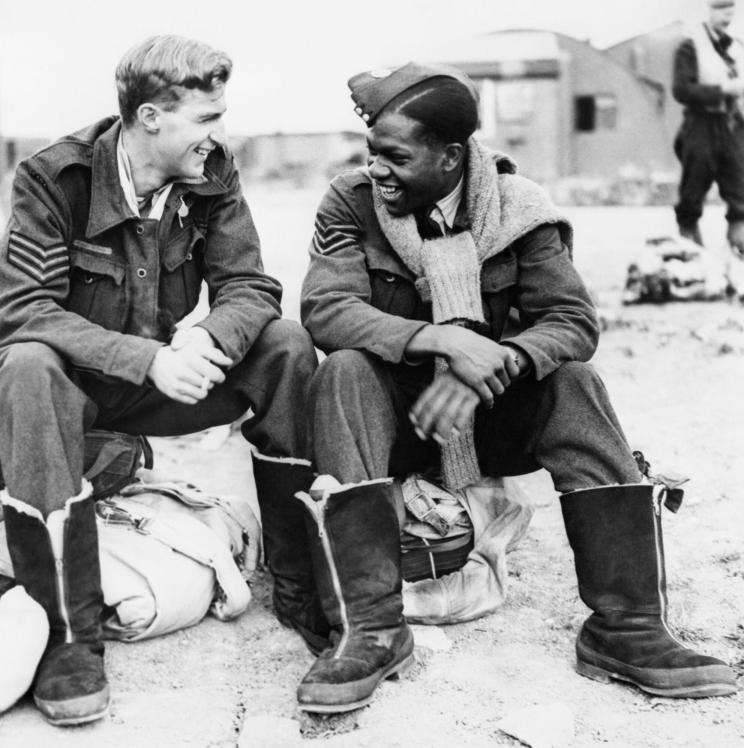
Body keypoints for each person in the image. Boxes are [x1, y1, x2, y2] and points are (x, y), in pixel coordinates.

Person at [294, 62, 739, 713]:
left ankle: (628, 626)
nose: (376, 170)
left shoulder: (519, 207)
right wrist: (442, 341)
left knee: (574, 381)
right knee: (344, 372)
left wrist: (487, 368)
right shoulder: (351, 201)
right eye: (371, 154)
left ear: (450, 158)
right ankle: (369, 629)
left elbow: (573, 323)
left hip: (491, 419)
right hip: (399, 422)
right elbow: (326, 309)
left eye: (394, 156)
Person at [0, 35, 317, 726]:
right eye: (207, 119)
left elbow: (249, 284)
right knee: (29, 362)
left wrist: (211, 335)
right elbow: (19, 310)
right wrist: (148, 358)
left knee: (284, 345)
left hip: (157, 382)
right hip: (63, 386)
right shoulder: (54, 176)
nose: (219, 136)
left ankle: (302, 582)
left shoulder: (212, 171)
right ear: (151, 117)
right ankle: (68, 635)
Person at [673, 0, 744, 252]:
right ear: (709, 10)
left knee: (739, 182)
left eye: (731, 10)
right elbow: (681, 90)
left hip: (733, 123)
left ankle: (739, 241)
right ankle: (689, 240)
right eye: (721, 9)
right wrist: (723, 90)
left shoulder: (738, 47)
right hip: (701, 123)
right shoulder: (690, 47)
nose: (727, 15)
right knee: (695, 181)